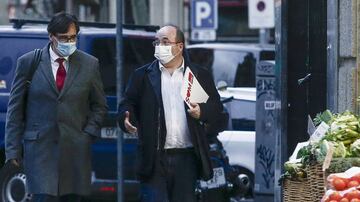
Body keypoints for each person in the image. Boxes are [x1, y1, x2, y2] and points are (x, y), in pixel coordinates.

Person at [5, 12, 107, 202]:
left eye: (73, 37)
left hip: (74, 153)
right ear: (51, 36)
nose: (69, 42)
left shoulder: (89, 64)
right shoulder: (29, 62)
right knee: (44, 198)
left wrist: (87, 134)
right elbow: (15, 110)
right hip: (40, 151)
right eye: (63, 38)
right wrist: (12, 150)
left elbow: (99, 106)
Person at [118, 25, 224, 202]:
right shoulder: (143, 76)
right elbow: (127, 103)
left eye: (165, 42)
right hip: (154, 158)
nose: (160, 46)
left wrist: (202, 112)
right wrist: (126, 118)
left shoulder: (198, 75)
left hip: (187, 158)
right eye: (157, 42)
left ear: (180, 46)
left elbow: (217, 109)